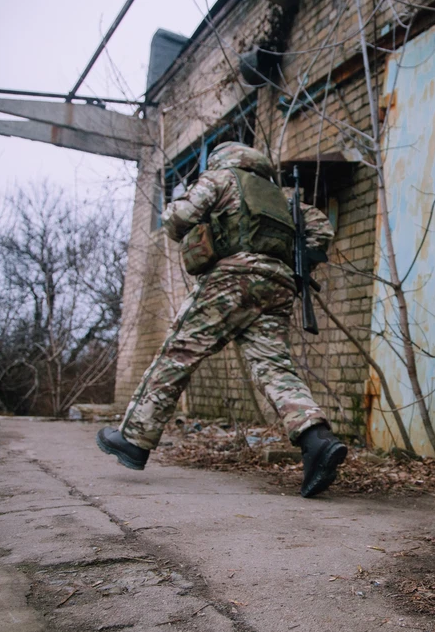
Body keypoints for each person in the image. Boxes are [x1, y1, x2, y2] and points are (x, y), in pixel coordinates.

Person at [97, 142, 346, 498]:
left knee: (180, 352)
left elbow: (175, 219)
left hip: (232, 279)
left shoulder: (220, 178)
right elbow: (321, 230)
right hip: (277, 285)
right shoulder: (281, 197)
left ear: (222, 160)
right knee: (274, 367)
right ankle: (317, 439)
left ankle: (133, 439)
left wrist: (201, 221)